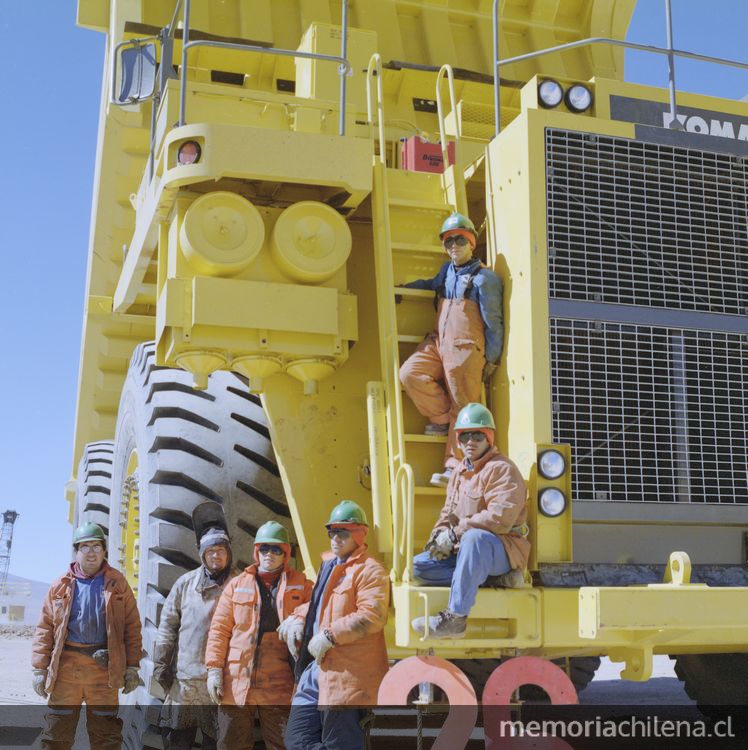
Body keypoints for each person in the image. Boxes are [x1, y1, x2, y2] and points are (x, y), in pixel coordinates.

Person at [399, 211, 504, 487]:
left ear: (472, 243)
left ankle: (455, 468)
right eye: (448, 242)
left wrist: (490, 362)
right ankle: (441, 418)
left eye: (459, 240)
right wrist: (402, 289)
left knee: (465, 409)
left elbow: (494, 325)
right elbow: (429, 285)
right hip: (439, 342)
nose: (454, 246)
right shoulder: (446, 271)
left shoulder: (485, 280)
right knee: (410, 373)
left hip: (466, 352)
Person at [411, 403, 529, 639]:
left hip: (502, 549)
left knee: (474, 538)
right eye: (465, 436)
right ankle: (492, 579)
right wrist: (439, 536)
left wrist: (455, 534)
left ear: (489, 438)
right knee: (419, 566)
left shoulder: (502, 470)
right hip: (467, 553)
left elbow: (500, 518)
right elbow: (448, 513)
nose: (470, 441)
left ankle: (455, 618)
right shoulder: (458, 473)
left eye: (477, 435)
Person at [279, 500, 390, 750]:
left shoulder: (370, 571)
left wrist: (329, 635)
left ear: (360, 535)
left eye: (342, 532)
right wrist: (298, 616)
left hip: (346, 678)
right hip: (316, 671)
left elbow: (371, 616)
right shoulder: (330, 567)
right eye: (332, 532)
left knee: (340, 744)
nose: (335, 538)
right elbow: (319, 604)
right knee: (296, 740)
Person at [31, 521, 142, 750]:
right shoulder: (59, 587)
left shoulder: (118, 584)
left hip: (103, 670)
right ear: (76, 551)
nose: (91, 553)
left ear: (104, 551)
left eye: (96, 547)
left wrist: (132, 667)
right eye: (85, 547)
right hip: (66, 669)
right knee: (56, 733)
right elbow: (44, 629)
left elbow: (132, 627)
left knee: (106, 735)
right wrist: (39, 670)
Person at [204, 520, 313, 750]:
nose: (269, 555)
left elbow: (317, 604)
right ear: (257, 552)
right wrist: (214, 669)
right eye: (264, 549)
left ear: (285, 554)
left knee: (285, 743)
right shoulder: (236, 585)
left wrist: (300, 615)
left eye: (276, 550)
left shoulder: (301, 584)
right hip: (236, 681)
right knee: (230, 743)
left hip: (279, 681)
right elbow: (219, 630)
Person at [152, 501, 238, 749]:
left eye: (221, 550)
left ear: (228, 552)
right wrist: (161, 663)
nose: (215, 555)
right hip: (185, 684)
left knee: (217, 742)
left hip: (220, 683)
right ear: (202, 554)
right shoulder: (185, 584)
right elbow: (167, 625)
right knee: (177, 741)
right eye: (210, 551)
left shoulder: (239, 584)